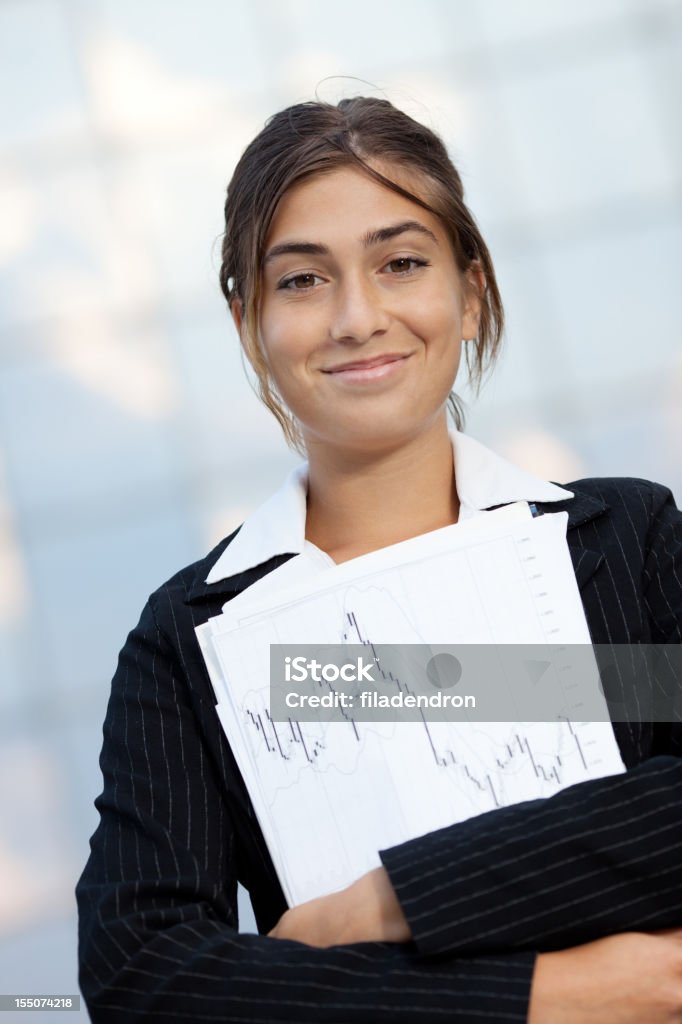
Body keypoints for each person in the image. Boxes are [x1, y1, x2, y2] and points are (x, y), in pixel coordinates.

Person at [76, 97, 682, 1023]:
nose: (358, 318)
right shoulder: (187, 643)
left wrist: (392, 900)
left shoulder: (628, 542)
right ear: (248, 324)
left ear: (470, 291)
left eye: (401, 263)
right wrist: (548, 997)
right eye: (303, 281)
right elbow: (147, 976)